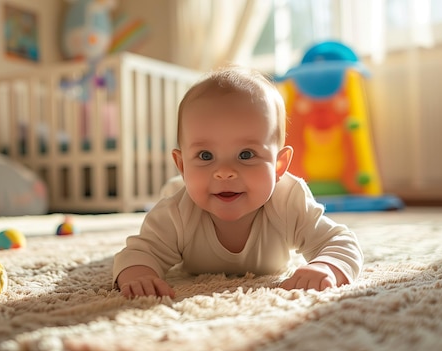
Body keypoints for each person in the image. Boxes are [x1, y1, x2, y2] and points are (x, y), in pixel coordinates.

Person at [113, 66, 363, 298]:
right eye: (205, 155)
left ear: (279, 165)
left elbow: (340, 242)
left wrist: (327, 266)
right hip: (183, 190)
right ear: (182, 165)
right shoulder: (176, 213)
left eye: (246, 155)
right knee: (174, 190)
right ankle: (179, 182)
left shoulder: (289, 202)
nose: (224, 172)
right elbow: (138, 252)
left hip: (201, 187)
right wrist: (139, 275)